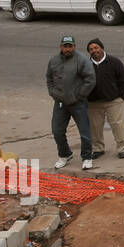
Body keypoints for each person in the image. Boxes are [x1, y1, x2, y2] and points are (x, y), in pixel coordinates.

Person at [47, 35, 96, 170]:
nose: (68, 49)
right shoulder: (54, 61)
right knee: (57, 131)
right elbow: (49, 78)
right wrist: (53, 92)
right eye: (65, 46)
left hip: (78, 103)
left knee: (84, 132)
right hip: (60, 103)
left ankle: (87, 157)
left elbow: (90, 80)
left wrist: (79, 95)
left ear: (74, 46)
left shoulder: (82, 60)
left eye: (70, 46)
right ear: (61, 47)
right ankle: (65, 154)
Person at [86, 38, 124, 160]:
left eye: (96, 48)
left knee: (118, 125)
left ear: (102, 48)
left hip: (113, 101)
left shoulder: (114, 61)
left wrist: (122, 97)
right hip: (93, 103)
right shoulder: (85, 64)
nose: (94, 51)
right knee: (95, 128)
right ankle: (98, 149)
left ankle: (122, 149)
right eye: (91, 49)